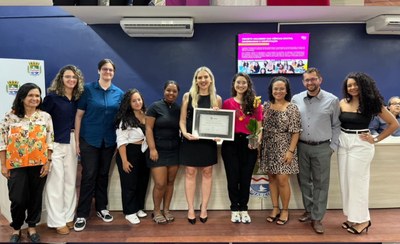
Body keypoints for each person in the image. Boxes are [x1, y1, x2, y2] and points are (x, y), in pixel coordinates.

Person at [337, 72, 399, 234]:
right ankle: (352, 217)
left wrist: (376, 139)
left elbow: (393, 124)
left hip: (361, 144)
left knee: (358, 183)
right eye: (349, 85)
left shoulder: (372, 104)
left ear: (363, 85)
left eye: (355, 84)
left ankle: (363, 220)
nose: (352, 88)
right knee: (346, 183)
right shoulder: (342, 102)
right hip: (344, 143)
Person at [73, 59, 124, 232]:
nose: (107, 72)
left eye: (110, 70)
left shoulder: (119, 93)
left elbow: (121, 120)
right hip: (89, 140)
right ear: (98, 71)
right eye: (104, 69)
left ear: (114, 73)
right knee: (88, 176)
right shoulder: (87, 89)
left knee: (103, 175)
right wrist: (77, 141)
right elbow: (79, 116)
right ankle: (82, 214)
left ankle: (102, 208)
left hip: (109, 141)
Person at [0, 83, 53, 243]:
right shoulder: (11, 116)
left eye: (37, 95)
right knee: (17, 198)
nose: (34, 98)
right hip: (16, 165)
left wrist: (47, 162)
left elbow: (50, 141)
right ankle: (17, 228)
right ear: (22, 97)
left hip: (39, 164)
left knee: (35, 197)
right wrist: (3, 164)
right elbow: (2, 142)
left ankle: (32, 227)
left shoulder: (45, 117)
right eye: (31, 95)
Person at [291, 67, 341, 234]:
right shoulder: (296, 99)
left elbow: (336, 125)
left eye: (313, 79)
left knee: (320, 183)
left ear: (320, 80)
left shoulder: (332, 100)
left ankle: (317, 217)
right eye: (307, 80)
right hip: (302, 146)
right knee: (304, 181)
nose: (310, 82)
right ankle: (309, 210)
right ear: (303, 82)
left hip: (322, 147)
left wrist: (332, 147)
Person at [42, 65, 84, 235]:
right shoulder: (52, 98)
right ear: (61, 78)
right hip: (55, 144)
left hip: (72, 143)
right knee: (55, 184)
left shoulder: (77, 98)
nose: (71, 80)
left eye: (74, 77)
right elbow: (41, 120)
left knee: (70, 183)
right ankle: (57, 221)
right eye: (67, 77)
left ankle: (68, 216)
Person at [180, 66, 222, 225]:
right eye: (200, 77)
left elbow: (221, 124)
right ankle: (190, 208)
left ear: (211, 79)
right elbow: (182, 120)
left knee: (207, 172)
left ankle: (204, 208)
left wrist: (219, 134)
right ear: (195, 80)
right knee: (190, 172)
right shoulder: (187, 96)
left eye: (206, 77)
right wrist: (184, 133)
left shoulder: (217, 98)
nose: (203, 80)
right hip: (191, 140)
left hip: (208, 143)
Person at [221, 72, 262, 224]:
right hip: (230, 144)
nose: (241, 85)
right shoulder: (227, 103)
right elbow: (222, 125)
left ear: (248, 84)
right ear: (234, 85)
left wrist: (256, 141)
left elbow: (259, 127)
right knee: (232, 179)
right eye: (238, 82)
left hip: (248, 144)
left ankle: (244, 209)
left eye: (244, 82)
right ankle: (234, 209)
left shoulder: (255, 103)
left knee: (245, 179)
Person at [260, 76, 301, 225]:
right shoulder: (265, 106)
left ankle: (285, 210)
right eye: (275, 88)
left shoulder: (292, 107)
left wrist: (290, 151)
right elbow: (259, 126)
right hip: (268, 147)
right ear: (271, 90)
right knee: (271, 179)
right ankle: (275, 208)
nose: (278, 91)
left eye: (281, 88)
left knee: (282, 180)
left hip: (284, 147)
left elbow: (296, 131)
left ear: (286, 90)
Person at [146, 80, 181, 225]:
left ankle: (166, 210)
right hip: (158, 151)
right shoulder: (155, 107)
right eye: (169, 90)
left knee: (170, 182)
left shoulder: (179, 108)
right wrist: (152, 148)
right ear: (164, 90)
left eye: (174, 91)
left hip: (175, 150)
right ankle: (156, 211)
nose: (171, 93)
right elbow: (148, 129)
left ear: (177, 93)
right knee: (160, 183)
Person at [115, 89, 150, 225]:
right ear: (128, 103)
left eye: (139, 99)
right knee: (129, 184)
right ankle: (130, 212)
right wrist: (124, 161)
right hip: (129, 152)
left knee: (142, 181)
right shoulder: (125, 119)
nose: (137, 102)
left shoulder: (146, 114)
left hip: (143, 152)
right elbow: (121, 141)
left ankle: (139, 208)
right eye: (134, 101)